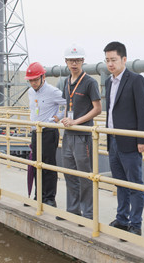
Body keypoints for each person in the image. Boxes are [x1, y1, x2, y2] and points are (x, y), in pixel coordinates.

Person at [104, 41, 144, 238]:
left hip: (130, 141)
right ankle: (122, 219)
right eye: (107, 60)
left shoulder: (135, 80)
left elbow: (143, 110)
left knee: (134, 184)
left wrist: (142, 139)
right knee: (120, 183)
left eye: (113, 60)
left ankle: (135, 223)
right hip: (113, 140)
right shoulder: (108, 82)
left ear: (124, 59)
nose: (110, 64)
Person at [60, 44, 102, 222]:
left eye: (77, 60)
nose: (74, 64)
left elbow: (97, 108)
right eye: (71, 60)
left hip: (82, 135)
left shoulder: (90, 82)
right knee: (69, 173)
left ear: (83, 61)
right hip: (68, 134)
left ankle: (88, 213)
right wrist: (63, 119)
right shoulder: (66, 82)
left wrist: (76, 122)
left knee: (85, 175)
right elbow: (66, 104)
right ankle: (73, 210)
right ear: (66, 62)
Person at [25, 62, 66, 207]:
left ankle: (49, 198)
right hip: (35, 131)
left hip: (48, 131)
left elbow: (68, 103)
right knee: (37, 164)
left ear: (43, 77)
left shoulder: (53, 91)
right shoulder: (30, 92)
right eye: (31, 80)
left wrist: (58, 117)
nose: (33, 83)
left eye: (36, 80)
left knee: (48, 165)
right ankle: (39, 195)